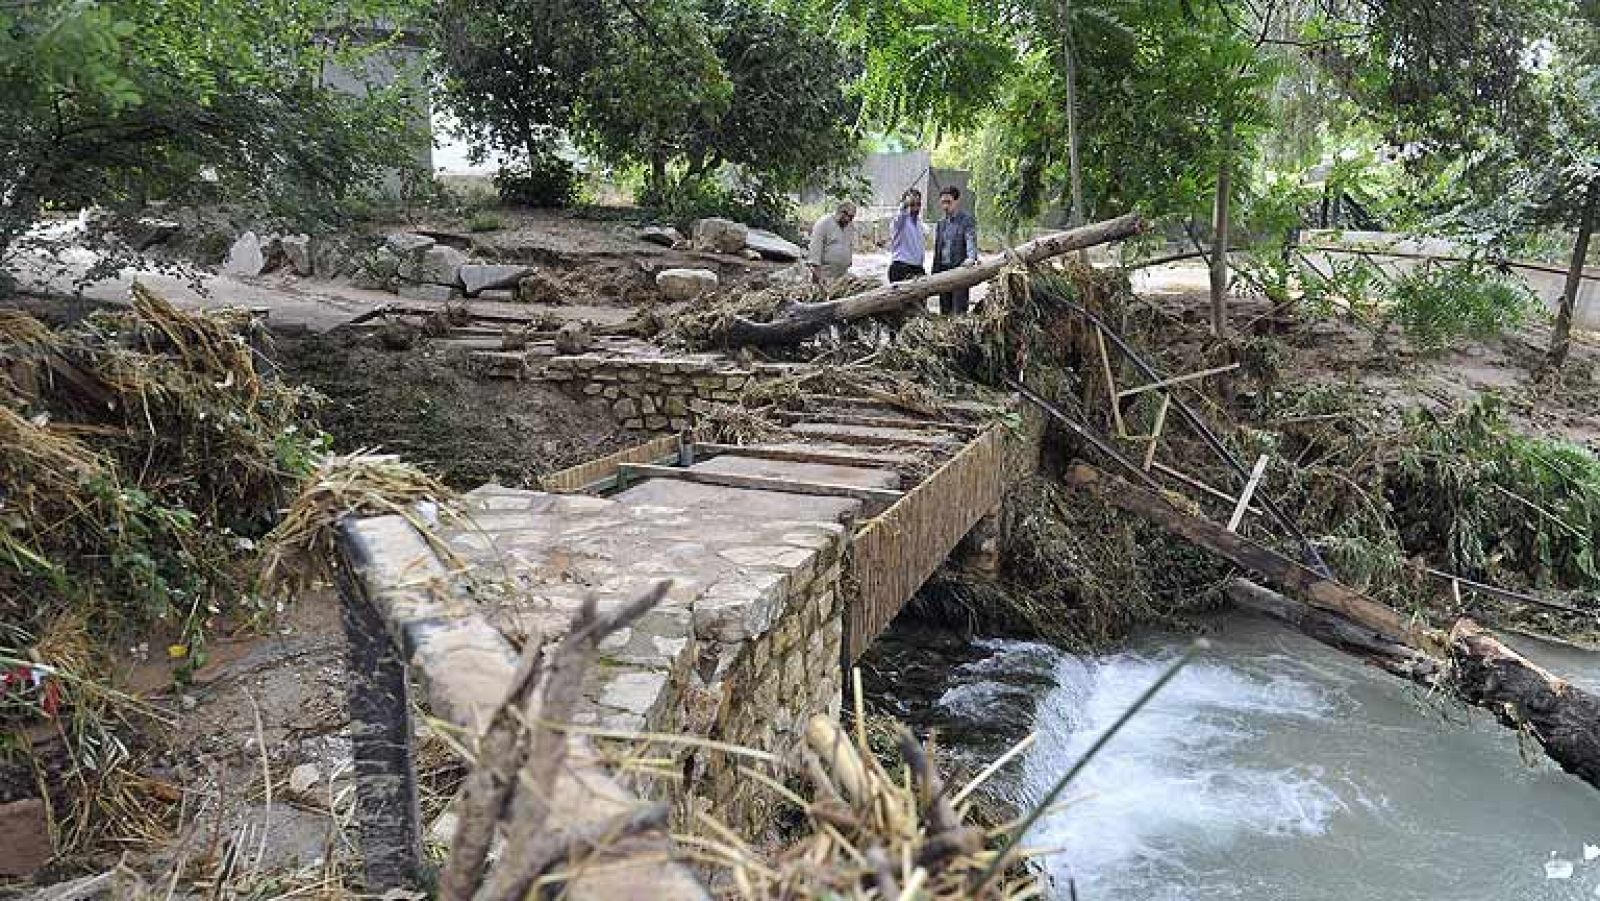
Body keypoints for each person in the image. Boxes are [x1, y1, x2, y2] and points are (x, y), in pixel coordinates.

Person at [932, 186, 979, 314]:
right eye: (943, 202)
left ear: (957, 202)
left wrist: (971, 258)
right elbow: (938, 250)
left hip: (959, 271)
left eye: (948, 202)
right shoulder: (941, 223)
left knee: (959, 311)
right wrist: (934, 273)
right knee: (944, 311)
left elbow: (971, 239)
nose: (945, 206)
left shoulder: (966, 220)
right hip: (943, 272)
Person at [807, 201, 857, 283]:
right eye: (846, 215)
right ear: (839, 212)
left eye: (851, 217)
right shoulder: (823, 224)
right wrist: (817, 273)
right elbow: (815, 249)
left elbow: (849, 245)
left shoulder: (849, 226)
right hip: (825, 273)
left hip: (842, 274)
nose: (847, 219)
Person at [887, 188, 925, 283]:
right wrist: (905, 204)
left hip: (917, 268)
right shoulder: (900, 222)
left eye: (918, 204)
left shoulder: (920, 224)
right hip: (901, 267)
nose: (916, 208)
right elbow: (900, 214)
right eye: (912, 204)